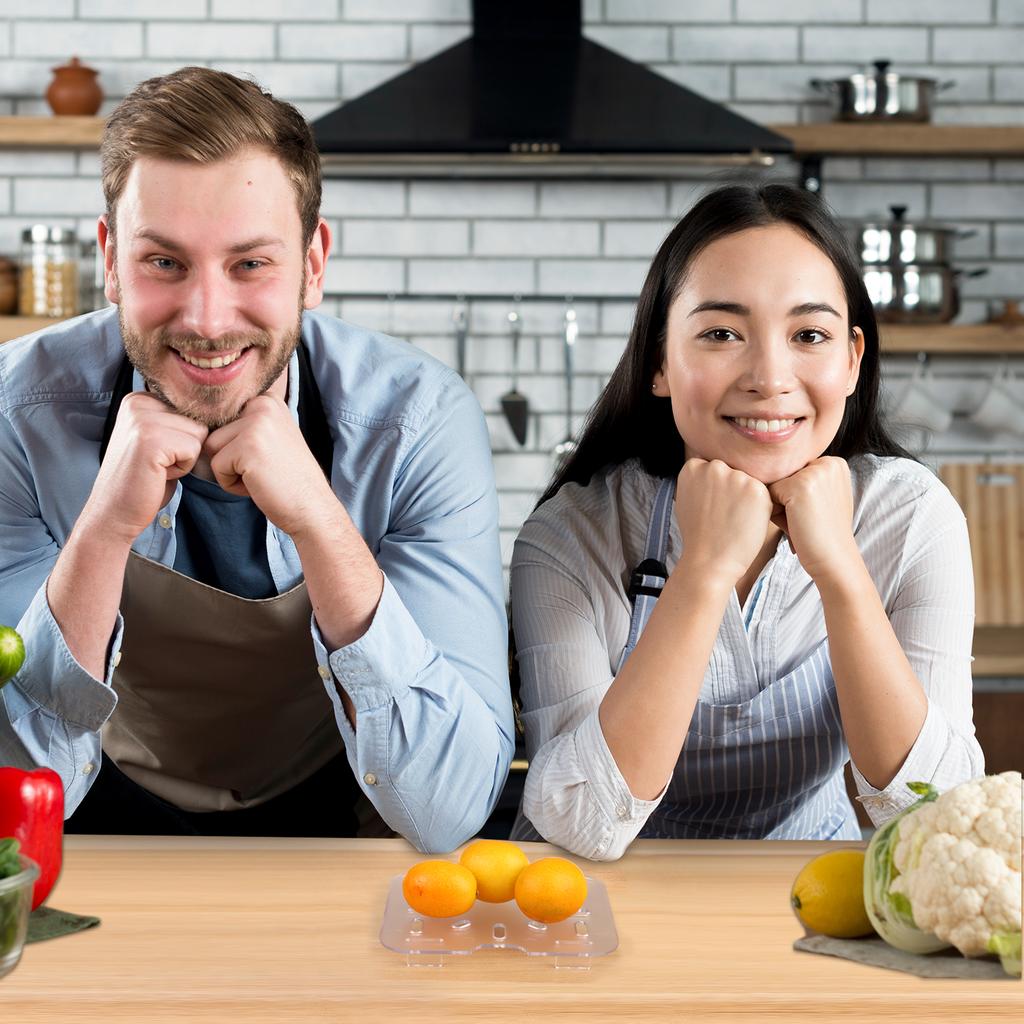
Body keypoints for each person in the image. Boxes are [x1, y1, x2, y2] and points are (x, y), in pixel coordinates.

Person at [0, 67, 514, 849]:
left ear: (313, 264)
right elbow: (19, 786)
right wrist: (103, 531)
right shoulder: (16, 413)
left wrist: (320, 523)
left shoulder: (417, 424)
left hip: (334, 828)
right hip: (95, 833)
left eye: (250, 264)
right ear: (110, 260)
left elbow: (447, 810)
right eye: (163, 262)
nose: (208, 320)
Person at [509, 182, 984, 861]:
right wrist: (703, 573)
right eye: (722, 334)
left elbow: (935, 815)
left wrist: (841, 570)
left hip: (803, 897)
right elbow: (579, 821)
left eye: (809, 335)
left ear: (852, 360)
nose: (769, 376)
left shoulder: (910, 517)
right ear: (659, 361)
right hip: (597, 904)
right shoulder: (571, 535)